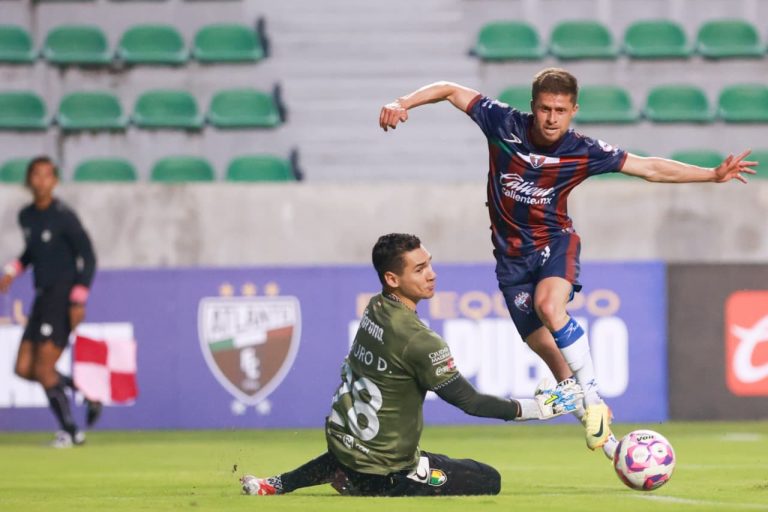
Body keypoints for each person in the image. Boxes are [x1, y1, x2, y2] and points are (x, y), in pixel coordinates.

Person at [378, 68, 757, 459]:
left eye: (560, 109)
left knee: (549, 306)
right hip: (510, 263)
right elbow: (450, 89)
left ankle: (593, 397)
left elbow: (649, 168)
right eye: (545, 108)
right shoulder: (503, 123)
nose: (552, 117)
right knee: (558, 366)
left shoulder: (583, 150)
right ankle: (614, 450)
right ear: (533, 107)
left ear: (574, 110)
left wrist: (711, 175)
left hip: (555, 243)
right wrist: (402, 103)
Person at [241, 233, 583, 497]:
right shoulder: (420, 341)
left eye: (429, 264)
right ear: (392, 279)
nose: (432, 275)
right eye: (419, 270)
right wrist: (543, 407)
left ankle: (279, 483)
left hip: (346, 445)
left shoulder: (375, 309)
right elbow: (471, 403)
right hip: (385, 473)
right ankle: (360, 482)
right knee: (487, 478)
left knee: (357, 449)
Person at [0, 156, 99, 448]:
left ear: (54, 181)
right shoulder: (27, 216)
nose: (41, 181)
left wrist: (78, 298)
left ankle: (71, 432)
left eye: (47, 175)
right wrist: (13, 270)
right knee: (23, 368)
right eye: (36, 175)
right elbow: (33, 252)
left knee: (44, 369)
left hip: (62, 297)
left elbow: (88, 257)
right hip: (41, 295)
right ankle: (88, 395)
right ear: (29, 180)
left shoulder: (64, 216)